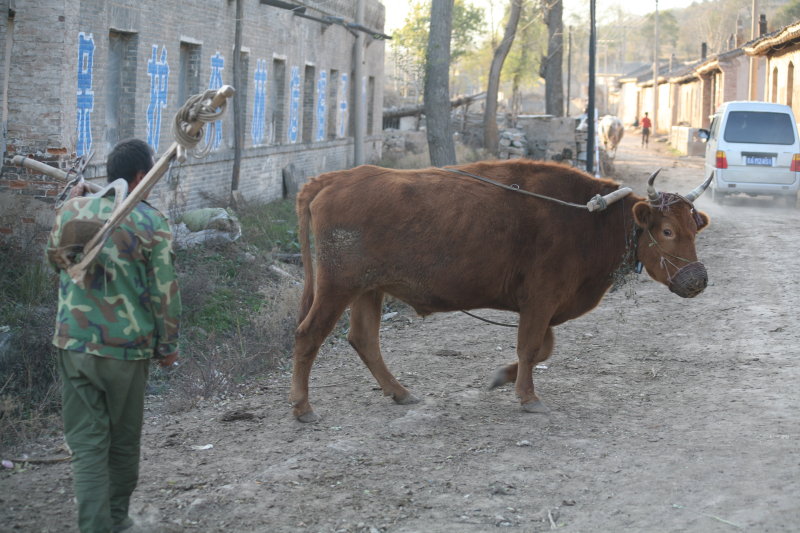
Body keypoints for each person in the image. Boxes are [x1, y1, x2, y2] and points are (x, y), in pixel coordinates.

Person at [46, 138, 181, 533]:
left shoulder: (73, 209)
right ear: (142, 176)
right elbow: (166, 292)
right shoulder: (151, 223)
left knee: (88, 445)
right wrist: (168, 347)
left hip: (73, 345)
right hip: (126, 351)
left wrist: (73, 205)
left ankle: (94, 526)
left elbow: (54, 261)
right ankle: (117, 520)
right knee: (122, 443)